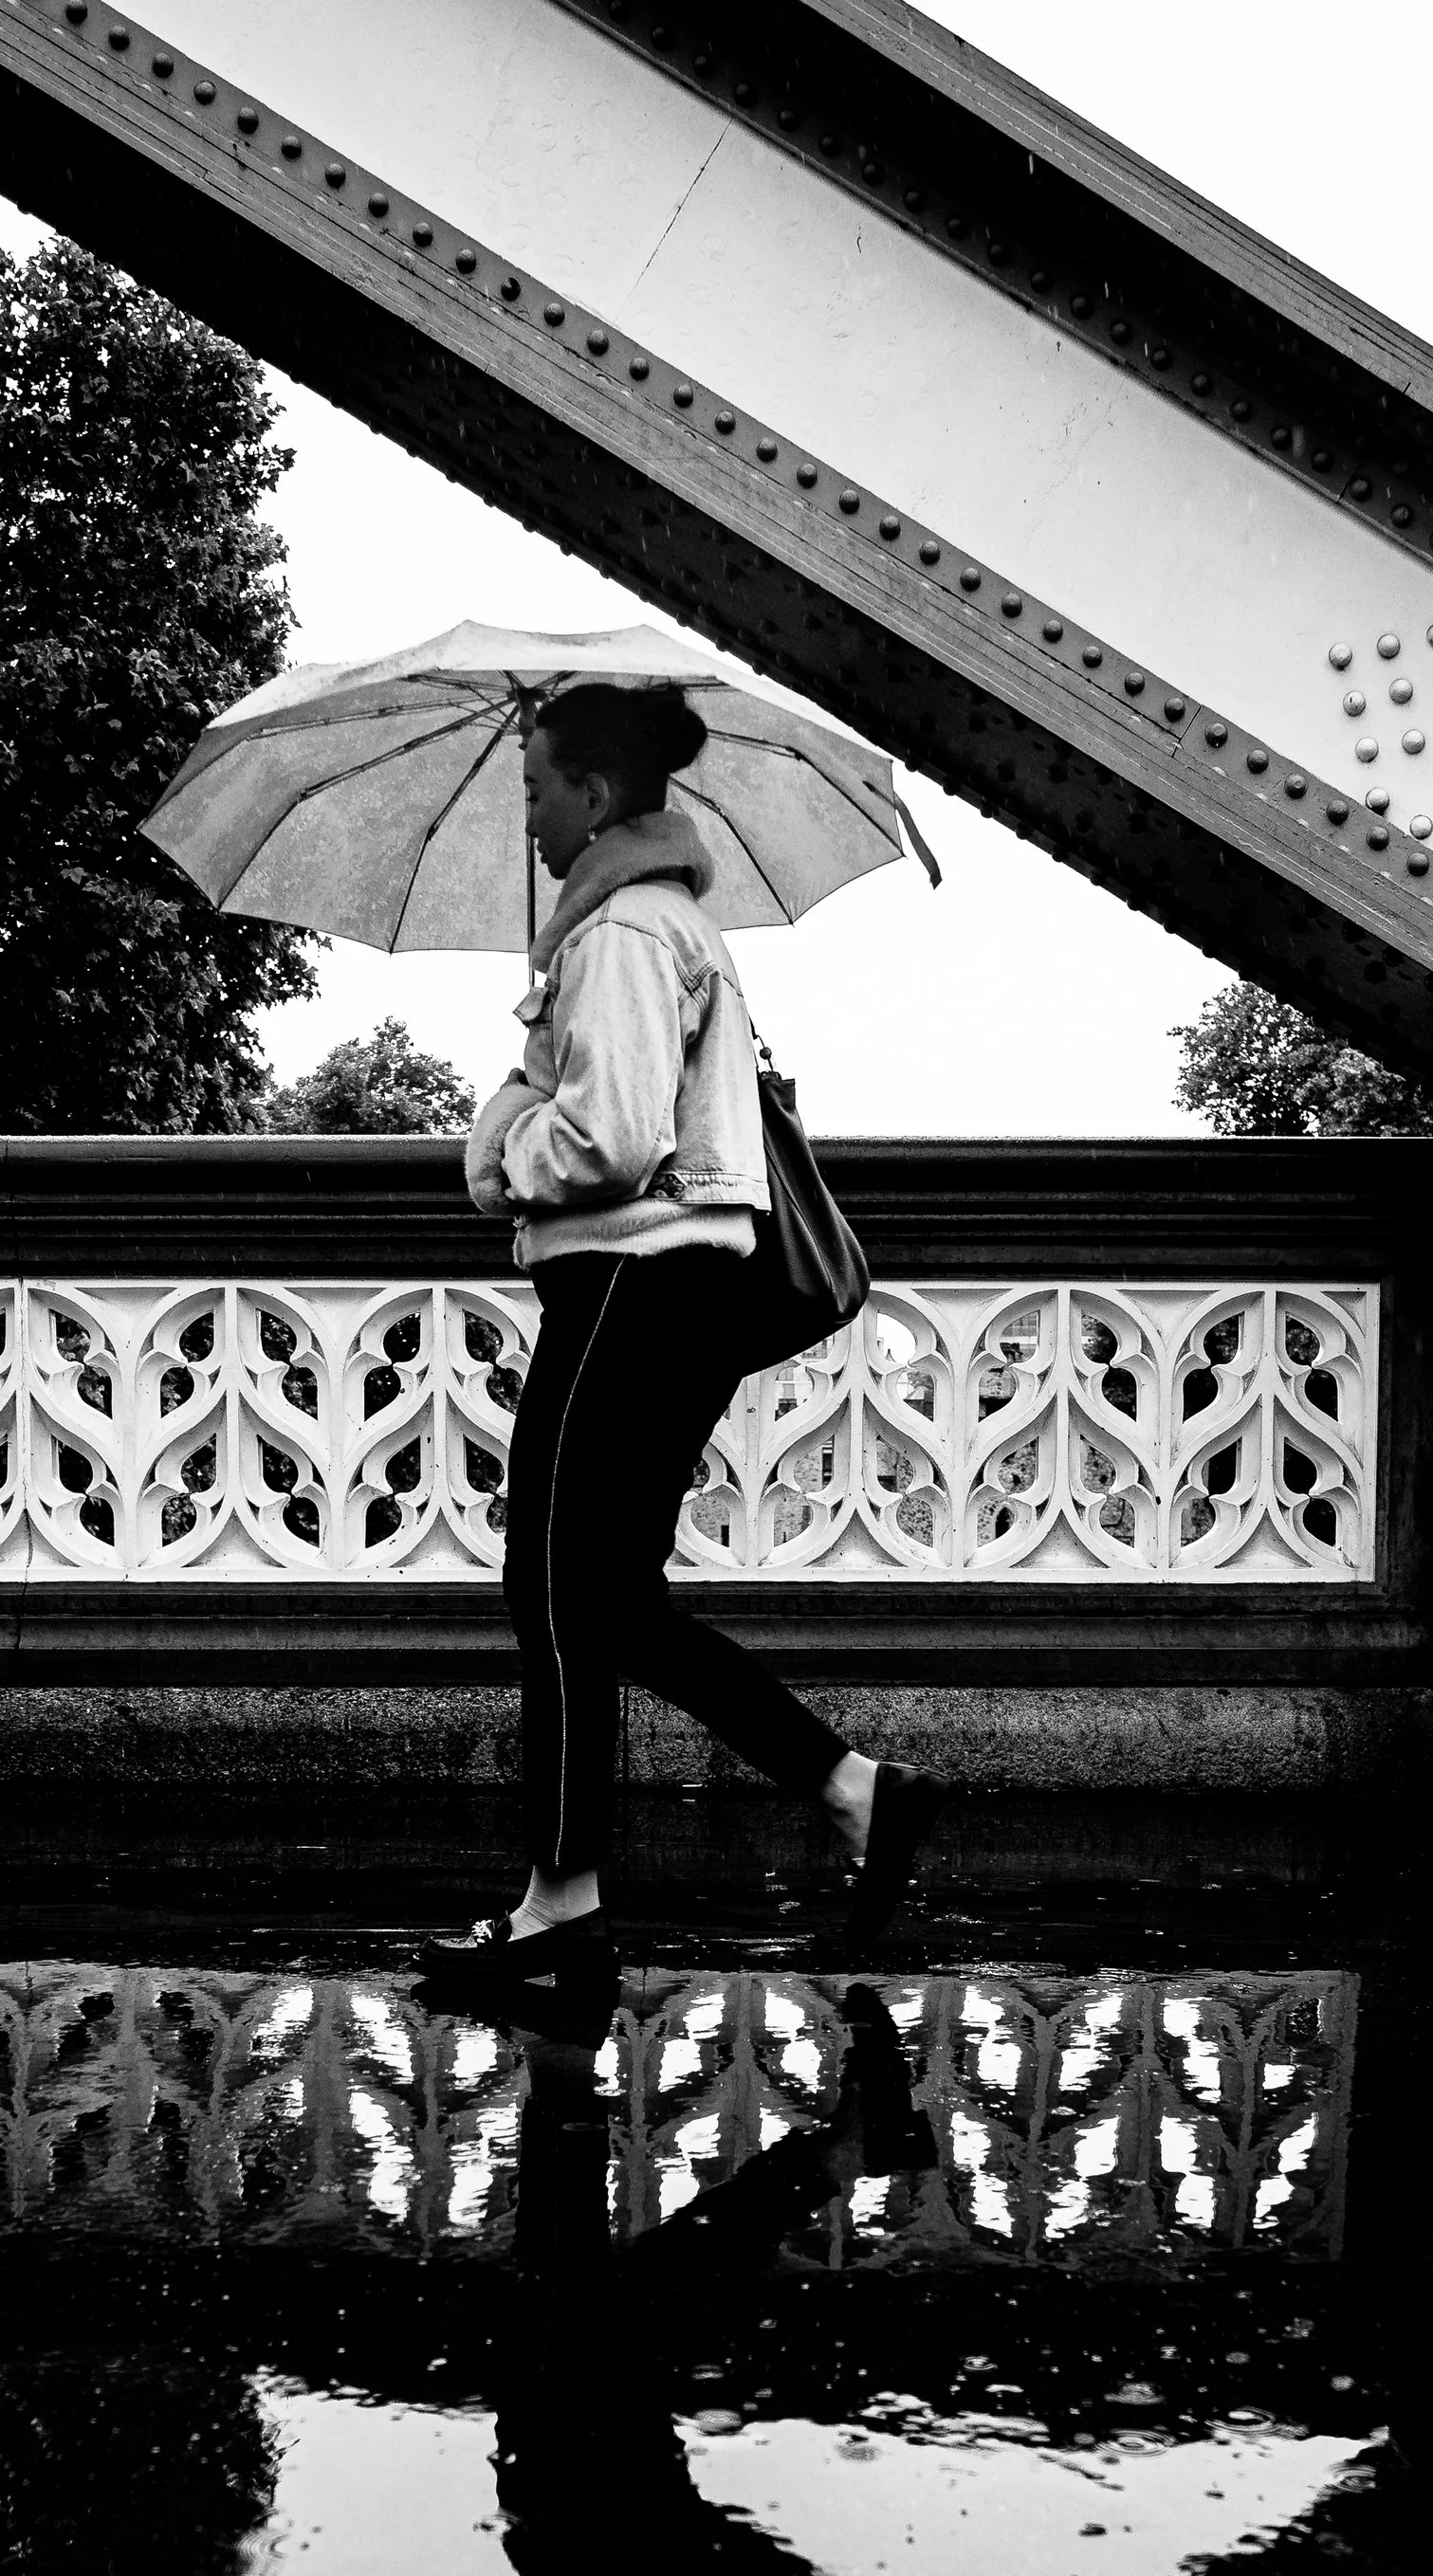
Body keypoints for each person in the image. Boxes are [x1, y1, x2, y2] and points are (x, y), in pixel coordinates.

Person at [428, 681, 943, 2001]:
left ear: (596, 794)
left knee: (548, 1587)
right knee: (613, 1601)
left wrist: (495, 1152)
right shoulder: (658, 927)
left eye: (537, 784)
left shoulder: (621, 938)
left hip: (626, 1287)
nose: (528, 811)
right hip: (677, 1294)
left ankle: (561, 1901)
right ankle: (851, 1790)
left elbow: (610, 1141)